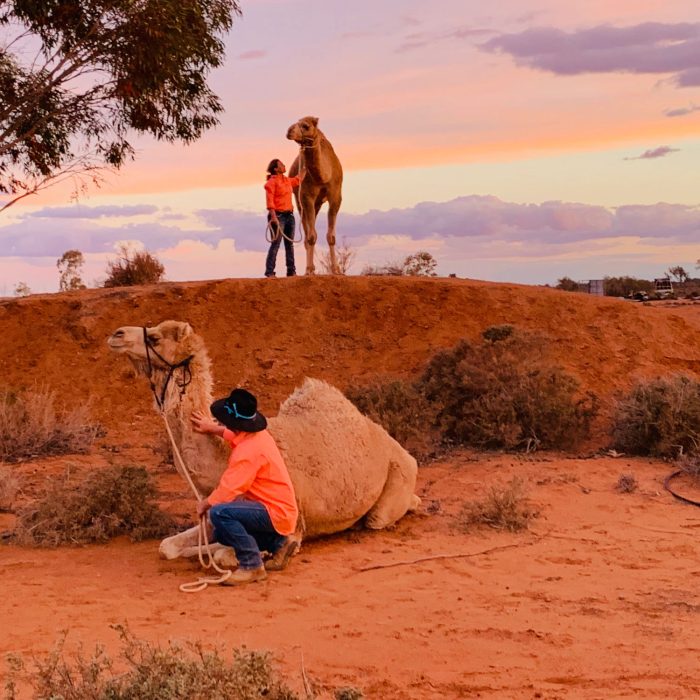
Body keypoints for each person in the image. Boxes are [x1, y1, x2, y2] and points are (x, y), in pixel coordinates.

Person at [191, 387, 299, 585]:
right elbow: (235, 436)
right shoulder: (258, 436)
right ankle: (280, 544)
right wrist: (213, 429)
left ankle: (252, 566)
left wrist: (205, 503)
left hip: (274, 511)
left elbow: (228, 490)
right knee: (221, 533)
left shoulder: (247, 453)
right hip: (280, 509)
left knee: (220, 514)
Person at [263, 158, 304, 278]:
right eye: (281, 164)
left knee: (289, 244)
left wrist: (305, 165)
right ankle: (269, 272)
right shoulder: (271, 182)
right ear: (276, 169)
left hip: (289, 216)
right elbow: (269, 201)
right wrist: (273, 216)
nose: (284, 165)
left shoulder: (286, 180)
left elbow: (298, 180)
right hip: (278, 215)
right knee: (276, 243)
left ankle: (291, 271)